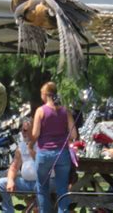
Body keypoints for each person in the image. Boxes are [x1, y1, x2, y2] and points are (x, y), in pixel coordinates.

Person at [32, 81, 77, 213]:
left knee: (42, 187)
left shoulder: (40, 111)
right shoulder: (65, 111)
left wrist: (30, 144)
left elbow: (35, 134)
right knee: (62, 188)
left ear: (45, 94)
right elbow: (73, 134)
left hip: (44, 153)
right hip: (62, 154)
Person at [0, 119, 55, 213]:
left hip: (47, 181)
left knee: (39, 187)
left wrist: (30, 148)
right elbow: (14, 167)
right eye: (22, 130)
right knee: (1, 183)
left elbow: (42, 166)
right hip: (27, 183)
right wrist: (11, 180)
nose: (22, 132)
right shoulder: (21, 146)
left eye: (25, 130)